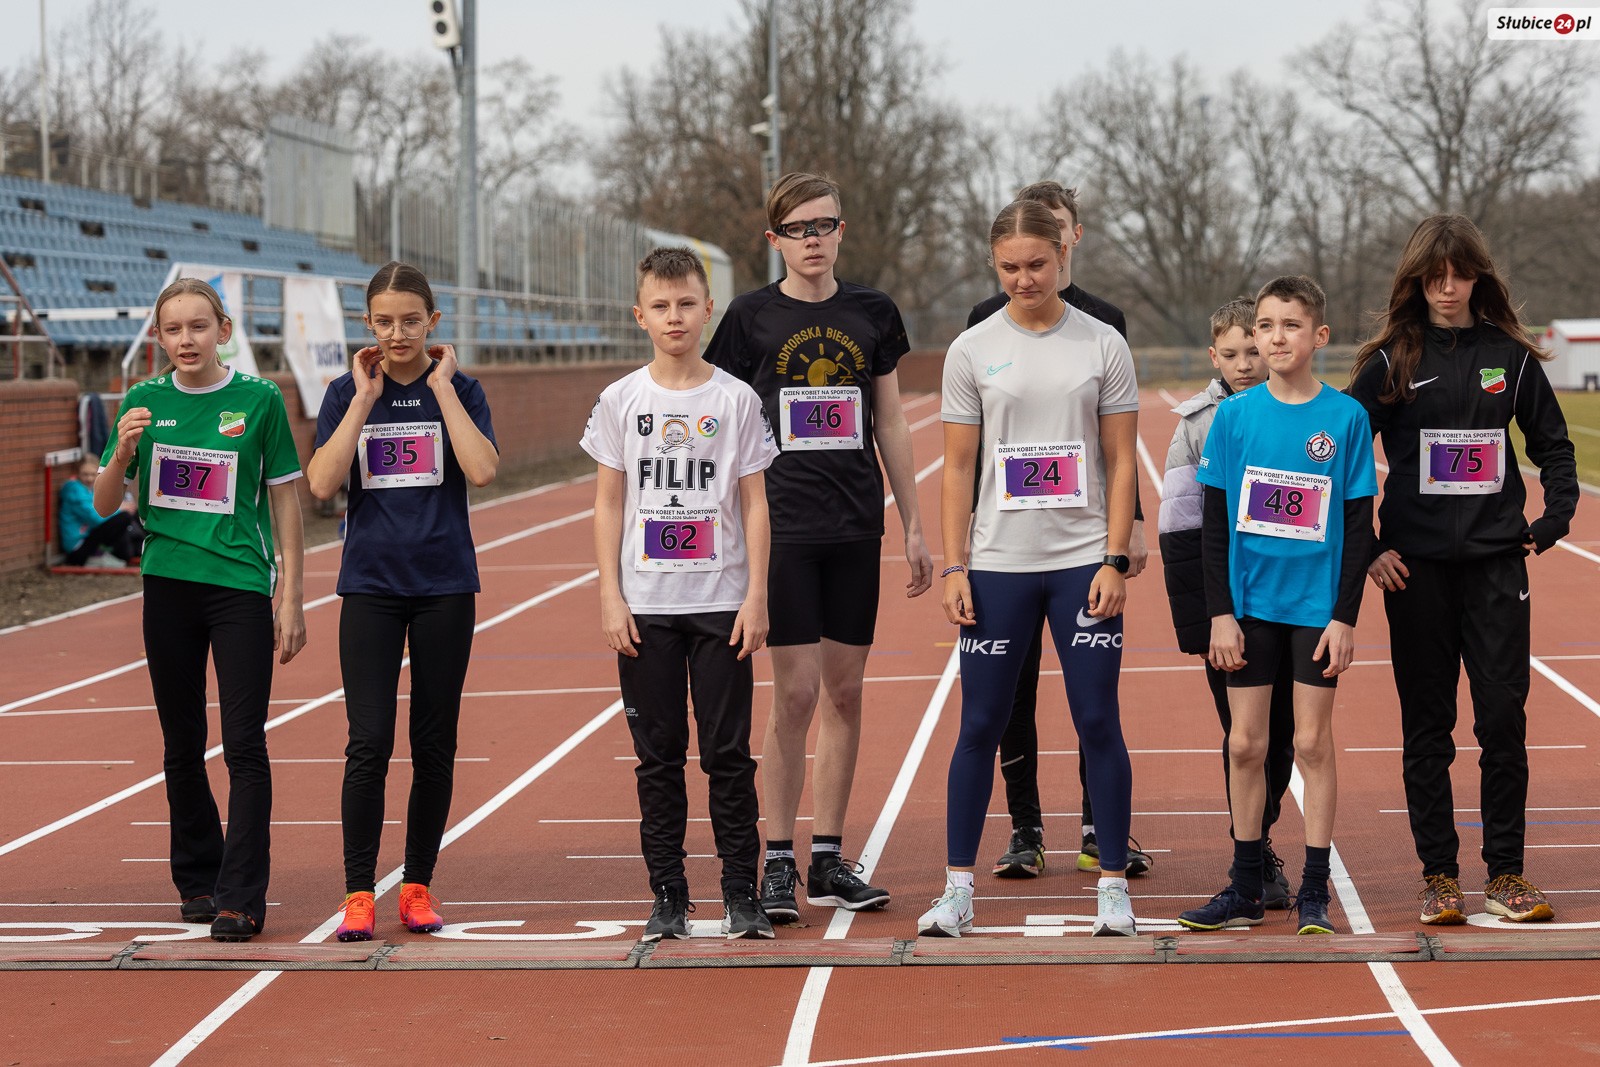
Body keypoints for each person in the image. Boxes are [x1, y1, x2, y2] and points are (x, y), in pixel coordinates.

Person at [705, 172, 933, 922]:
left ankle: (829, 857)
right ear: (774, 239)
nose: (813, 239)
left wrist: (913, 522)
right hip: (783, 527)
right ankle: (777, 859)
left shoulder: (873, 312)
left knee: (845, 692)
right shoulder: (749, 317)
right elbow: (722, 418)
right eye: (798, 228)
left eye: (824, 225)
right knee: (795, 694)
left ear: (841, 231)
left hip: (855, 525)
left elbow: (890, 420)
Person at [920, 200, 1140, 938]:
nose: (1024, 279)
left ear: (1063, 254)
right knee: (980, 723)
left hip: (1081, 563)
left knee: (1096, 719)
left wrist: (1114, 558)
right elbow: (957, 468)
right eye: (1009, 267)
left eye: (1037, 264)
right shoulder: (971, 349)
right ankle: (957, 890)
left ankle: (1113, 886)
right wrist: (955, 566)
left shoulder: (1103, 343)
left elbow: (1119, 459)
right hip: (998, 564)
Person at [1348, 214, 1577, 924]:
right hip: (1414, 572)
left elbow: (1554, 447)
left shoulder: (1511, 358)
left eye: (1459, 275)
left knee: (1503, 719)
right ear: (1416, 281)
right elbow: (1347, 461)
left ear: (1479, 277)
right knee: (1429, 726)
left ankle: (1506, 873)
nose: (1447, 288)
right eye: (1434, 277)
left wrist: (1553, 519)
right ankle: (1439, 877)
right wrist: (1370, 548)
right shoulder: (1391, 361)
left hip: (1495, 567)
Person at [96, 278, 306, 942]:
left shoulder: (260, 400)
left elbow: (284, 500)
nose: (186, 339)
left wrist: (291, 595)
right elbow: (103, 502)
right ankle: (198, 879)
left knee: (244, 743)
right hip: (167, 587)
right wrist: (122, 453)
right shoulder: (142, 402)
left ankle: (241, 896)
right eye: (173, 329)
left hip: (239, 587)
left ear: (223, 331)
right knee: (181, 744)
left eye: (198, 326)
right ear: (158, 338)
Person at [583, 247, 780, 940]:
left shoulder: (735, 399)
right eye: (661, 306)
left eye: (687, 304)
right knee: (658, 759)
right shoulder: (621, 400)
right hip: (647, 608)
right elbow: (609, 503)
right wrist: (610, 594)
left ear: (708, 310)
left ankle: (741, 894)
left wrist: (756, 595)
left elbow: (755, 503)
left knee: (728, 756)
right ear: (640, 316)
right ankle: (668, 895)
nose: (675, 316)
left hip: (722, 604)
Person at [305, 261, 499, 942]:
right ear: (367, 324)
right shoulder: (344, 393)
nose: (397, 333)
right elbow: (321, 483)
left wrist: (442, 389)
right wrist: (363, 400)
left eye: (411, 321)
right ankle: (359, 891)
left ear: (432, 322)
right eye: (384, 322)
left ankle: (417, 885)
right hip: (371, 587)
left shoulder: (463, 390)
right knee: (368, 741)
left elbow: (482, 469)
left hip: (445, 585)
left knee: (433, 742)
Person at [966, 180, 1153, 880]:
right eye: (1012, 262)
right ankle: (1025, 826)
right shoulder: (983, 326)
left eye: (1061, 229)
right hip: (1007, 543)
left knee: (1091, 700)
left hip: (1081, 540)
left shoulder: (1105, 324)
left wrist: (1128, 530)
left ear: (1071, 238)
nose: (1027, 273)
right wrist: (967, 545)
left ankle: (1100, 825)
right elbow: (975, 442)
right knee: (1011, 697)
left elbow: (1116, 443)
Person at [1179, 276, 1376, 937]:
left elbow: (1359, 525)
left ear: (1319, 335)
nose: (1276, 337)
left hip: (1316, 609)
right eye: (1266, 325)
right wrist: (1221, 613)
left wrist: (1345, 617)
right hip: (1250, 607)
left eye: (1291, 325)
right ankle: (1243, 887)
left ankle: (1314, 891)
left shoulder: (1346, 418)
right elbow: (1212, 527)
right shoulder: (1234, 418)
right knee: (1245, 744)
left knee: (1312, 742)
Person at [1158, 298, 1295, 909]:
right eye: (1232, 354)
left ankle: (1261, 837)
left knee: (1285, 734)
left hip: (1289, 598)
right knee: (1242, 735)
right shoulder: (1195, 426)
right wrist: (1202, 622)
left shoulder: (1297, 411)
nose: (1245, 365)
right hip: (1228, 609)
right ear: (1214, 356)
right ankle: (1253, 855)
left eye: (1253, 352)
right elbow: (1180, 531)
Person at [60, 456, 142, 566]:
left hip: (90, 535)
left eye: (93, 474)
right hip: (78, 548)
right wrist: (120, 508)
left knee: (131, 512)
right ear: (77, 473)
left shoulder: (89, 488)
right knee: (124, 516)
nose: (89, 478)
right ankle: (134, 551)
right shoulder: (74, 491)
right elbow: (96, 517)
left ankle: (139, 549)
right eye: (85, 474)